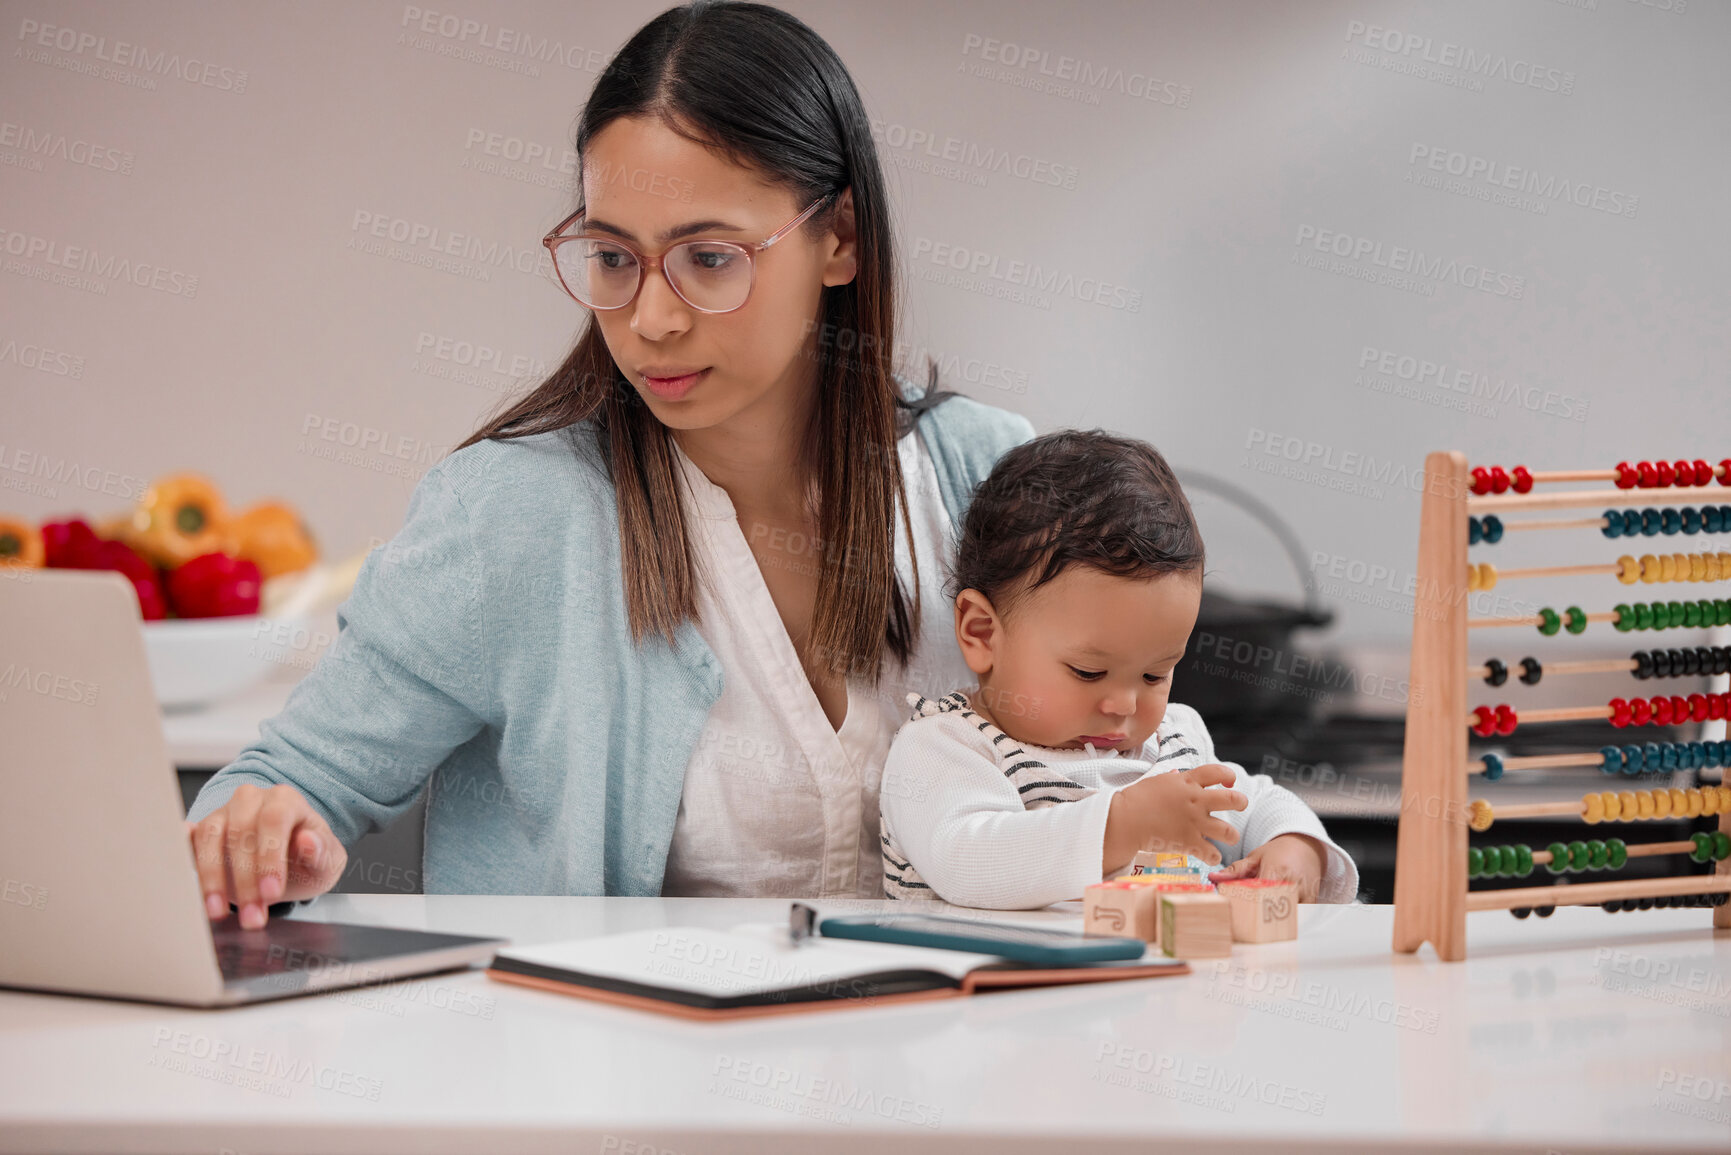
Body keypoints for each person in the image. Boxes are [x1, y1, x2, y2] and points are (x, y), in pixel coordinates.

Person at [183, 0, 1034, 928]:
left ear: (840, 240)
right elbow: (282, 782)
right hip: (610, 1068)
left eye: (708, 258)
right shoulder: (514, 513)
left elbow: (1128, 783)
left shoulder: (987, 476)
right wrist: (268, 835)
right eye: (613, 257)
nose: (651, 319)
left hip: (956, 1061)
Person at [879, 430, 1360, 909]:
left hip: (1157, 984)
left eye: (1155, 675)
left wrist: (1295, 848)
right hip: (992, 983)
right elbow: (969, 861)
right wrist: (1122, 825)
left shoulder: (1174, 741)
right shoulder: (944, 748)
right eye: (1088, 672)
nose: (1125, 705)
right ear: (983, 633)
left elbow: (1254, 804)